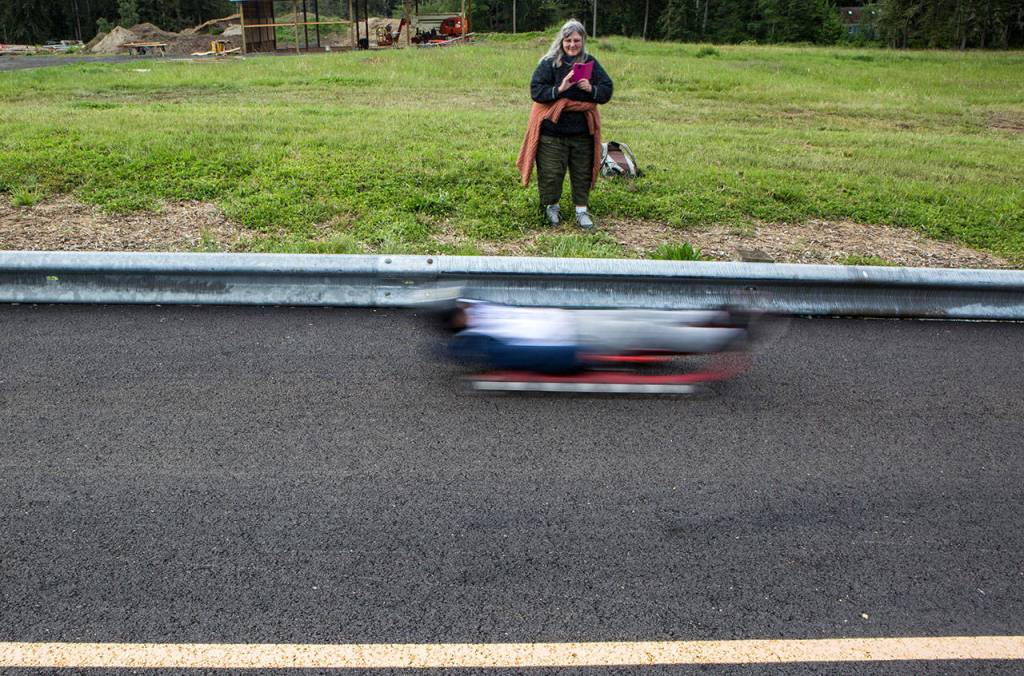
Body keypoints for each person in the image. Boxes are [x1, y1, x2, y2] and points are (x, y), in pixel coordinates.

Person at [445, 300, 748, 375]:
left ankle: (712, 317)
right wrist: (574, 358)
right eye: (460, 310)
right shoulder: (482, 341)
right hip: (571, 338)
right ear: (458, 323)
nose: (465, 307)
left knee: (638, 315)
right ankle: (727, 337)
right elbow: (525, 356)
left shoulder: (479, 310)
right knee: (644, 332)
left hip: (572, 318)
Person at [516, 19, 613, 230]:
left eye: (576, 40)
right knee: (551, 172)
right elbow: (536, 91)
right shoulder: (549, 63)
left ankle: (581, 210)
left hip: (582, 133)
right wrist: (560, 88)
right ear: (562, 41)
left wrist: (590, 89)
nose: (572, 45)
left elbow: (607, 89)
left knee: (582, 172)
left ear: (583, 41)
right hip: (552, 133)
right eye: (568, 40)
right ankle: (551, 207)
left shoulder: (591, 63)